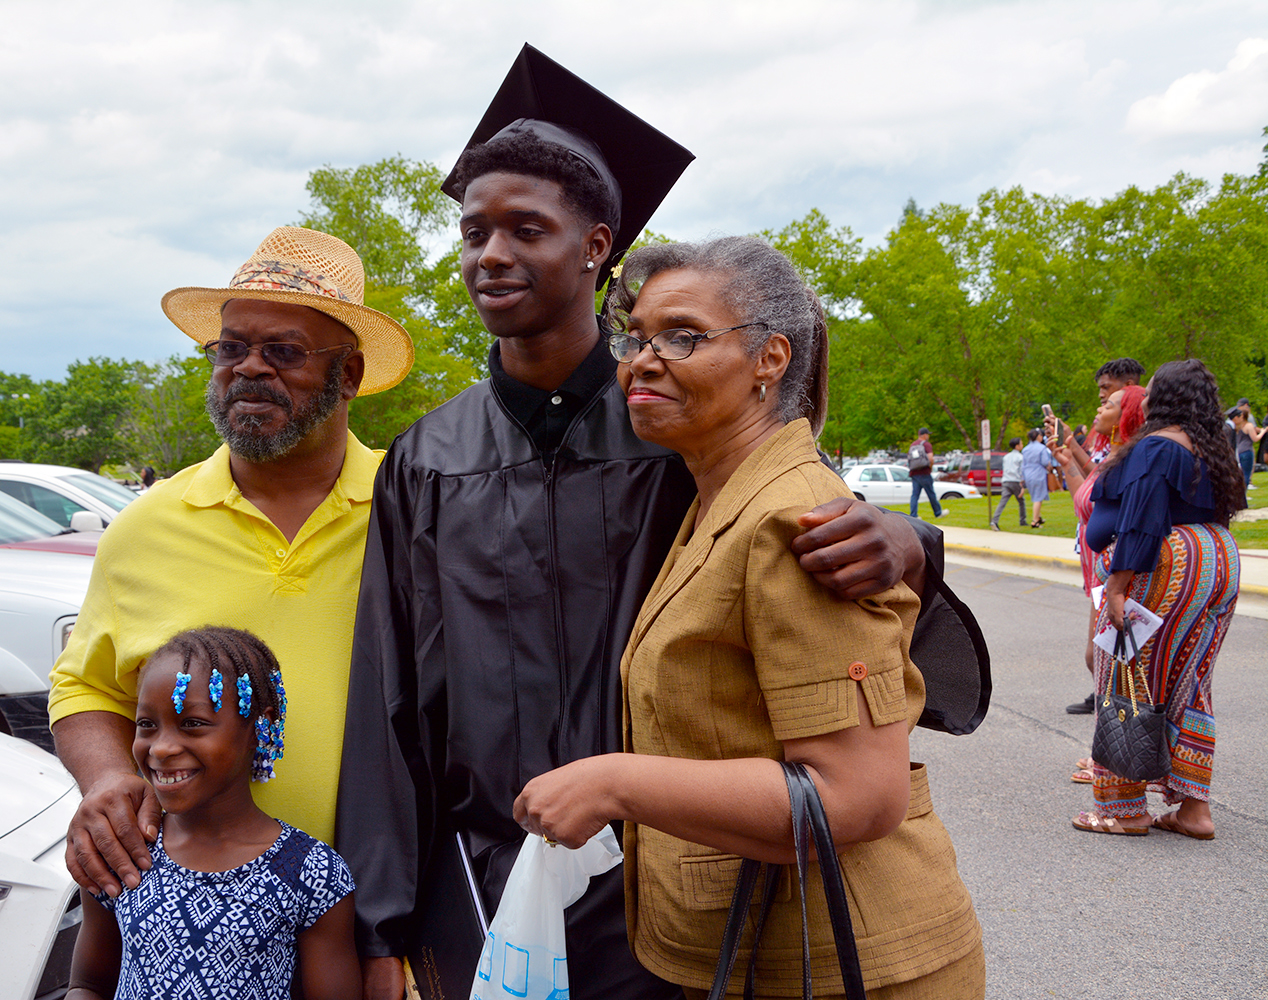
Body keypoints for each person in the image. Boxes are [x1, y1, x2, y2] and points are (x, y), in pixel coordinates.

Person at [339, 46, 984, 1000]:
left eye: (526, 228)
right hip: (487, 881)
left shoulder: (686, 432)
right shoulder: (427, 463)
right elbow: (387, 704)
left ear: (597, 247)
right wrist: (381, 927)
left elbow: (807, 560)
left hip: (677, 876)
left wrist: (910, 543)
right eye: (474, 231)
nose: (492, 254)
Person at [513, 237, 983, 997]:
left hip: (846, 964)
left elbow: (858, 795)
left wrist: (616, 782)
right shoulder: (713, 500)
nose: (643, 359)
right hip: (762, 949)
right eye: (635, 339)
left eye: (683, 336)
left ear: (770, 359)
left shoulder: (794, 521)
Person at [50, 227, 414, 900]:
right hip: (200, 922)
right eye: (231, 348)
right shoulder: (147, 526)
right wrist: (105, 778)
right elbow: (86, 687)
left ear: (351, 375)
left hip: (383, 913)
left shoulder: (414, 514)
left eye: (283, 351)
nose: (249, 368)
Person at [66, 627, 359, 1000]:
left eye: (192, 723)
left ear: (260, 726)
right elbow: (88, 985)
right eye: (146, 725)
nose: (161, 748)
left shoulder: (311, 873)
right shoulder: (123, 849)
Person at [1073, 359, 1245, 838]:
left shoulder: (1156, 447)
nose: (1142, 398)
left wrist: (1117, 584)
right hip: (1219, 559)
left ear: (1165, 398)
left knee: (1124, 671)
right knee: (1193, 681)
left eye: (1150, 391)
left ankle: (1123, 810)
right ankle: (1194, 811)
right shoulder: (1215, 448)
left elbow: (1143, 518)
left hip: (1169, 561)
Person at [1051, 386, 1143, 750]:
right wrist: (1068, 462)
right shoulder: (1112, 457)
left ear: (1128, 415)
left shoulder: (1132, 459)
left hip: (1116, 573)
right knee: (1103, 660)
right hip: (1098, 575)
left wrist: (1118, 582)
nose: (1099, 406)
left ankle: (1116, 753)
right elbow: (1085, 501)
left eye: (1108, 403)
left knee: (1106, 659)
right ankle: (1110, 749)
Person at [907, 426, 945, 519]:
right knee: (931, 493)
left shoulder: (913, 445)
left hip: (914, 473)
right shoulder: (926, 445)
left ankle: (913, 515)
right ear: (924, 435)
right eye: (927, 434)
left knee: (915, 495)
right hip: (924, 472)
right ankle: (938, 512)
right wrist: (930, 467)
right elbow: (931, 458)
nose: (928, 436)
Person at [1228, 402, 1263, 501]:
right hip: (1247, 450)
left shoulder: (1237, 427)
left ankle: (1239, 494)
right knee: (1246, 474)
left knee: (1240, 474)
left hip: (1238, 450)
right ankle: (1243, 496)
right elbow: (1255, 439)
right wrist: (1263, 432)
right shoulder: (1248, 426)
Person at [990, 437, 1026, 530]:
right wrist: (1023, 483)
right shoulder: (1020, 457)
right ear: (1017, 446)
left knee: (1003, 501)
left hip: (1006, 480)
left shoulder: (1006, 456)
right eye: (1021, 444)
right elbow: (1021, 471)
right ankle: (1022, 520)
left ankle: (994, 520)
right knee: (1021, 501)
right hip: (1016, 480)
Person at [1019, 429, 1054, 527]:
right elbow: (1044, 462)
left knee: (1035, 495)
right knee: (1038, 497)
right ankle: (1035, 520)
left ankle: (1038, 516)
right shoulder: (1042, 448)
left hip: (1028, 474)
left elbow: (1023, 464)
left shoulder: (1025, 449)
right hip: (1038, 473)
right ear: (1038, 436)